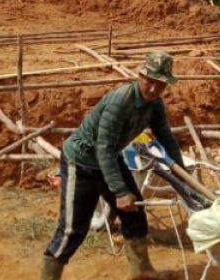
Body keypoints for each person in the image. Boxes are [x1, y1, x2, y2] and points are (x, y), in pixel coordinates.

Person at [42, 52, 184, 280]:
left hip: (109, 158)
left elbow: (165, 137)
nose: (155, 89)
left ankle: (141, 272)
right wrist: (119, 191)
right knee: (72, 231)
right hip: (82, 162)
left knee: (135, 215)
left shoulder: (154, 104)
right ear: (140, 76)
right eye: (151, 82)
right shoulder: (120, 102)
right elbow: (103, 148)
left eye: (161, 85)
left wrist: (183, 174)